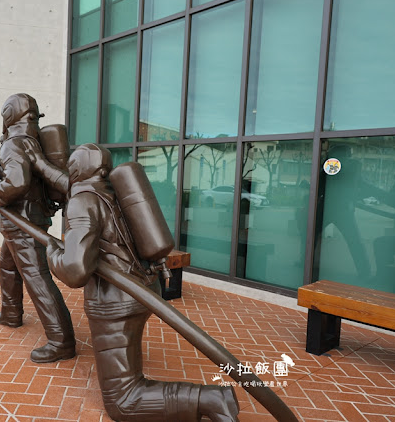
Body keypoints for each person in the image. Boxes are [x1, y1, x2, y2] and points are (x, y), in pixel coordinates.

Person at [30, 143, 239, 421]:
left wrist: (53, 253)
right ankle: (210, 399)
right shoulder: (110, 192)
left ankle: (211, 399)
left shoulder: (82, 201)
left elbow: (76, 270)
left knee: (122, 400)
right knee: (125, 377)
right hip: (140, 290)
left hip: (114, 304)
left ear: (77, 168)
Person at [0, 93, 75, 364]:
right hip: (30, 217)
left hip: (22, 222)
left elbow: (17, 183)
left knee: (37, 277)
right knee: (8, 266)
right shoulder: (31, 141)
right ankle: (11, 312)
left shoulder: (14, 143)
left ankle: (62, 341)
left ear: (9, 116)